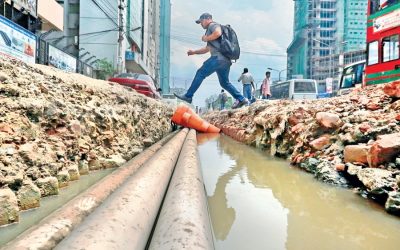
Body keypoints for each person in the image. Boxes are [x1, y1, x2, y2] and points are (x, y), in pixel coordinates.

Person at [174, 13, 248, 109]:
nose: (201, 24)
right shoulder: (212, 31)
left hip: (217, 59)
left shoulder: (212, 25)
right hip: (225, 61)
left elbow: (217, 33)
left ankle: (188, 96)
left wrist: (206, 38)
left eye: (201, 22)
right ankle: (241, 99)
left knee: (200, 73)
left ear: (207, 19)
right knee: (224, 83)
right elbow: (207, 49)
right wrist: (194, 52)